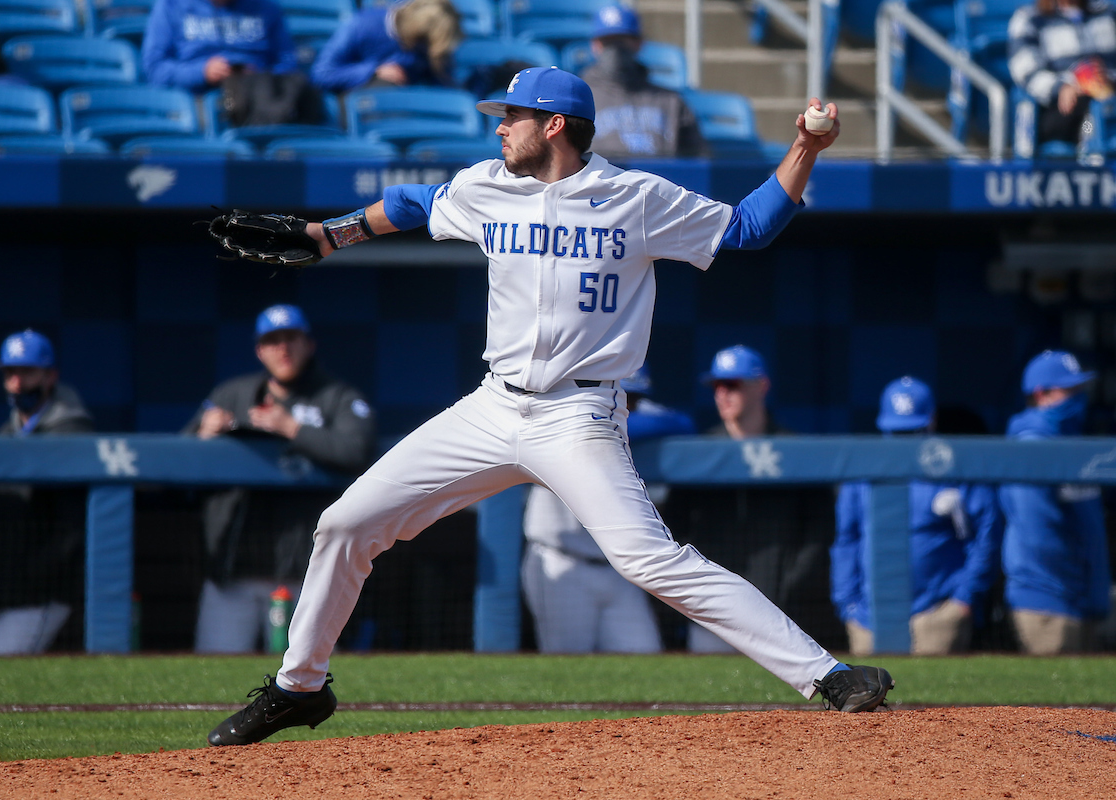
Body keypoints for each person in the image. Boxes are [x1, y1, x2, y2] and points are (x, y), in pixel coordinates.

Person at [207, 66, 892, 747]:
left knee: (649, 560)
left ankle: (827, 675)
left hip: (579, 417)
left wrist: (805, 148)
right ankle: (300, 687)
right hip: (492, 406)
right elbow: (414, 203)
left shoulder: (635, 197)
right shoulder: (486, 186)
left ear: (555, 125)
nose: (500, 128)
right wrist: (330, 234)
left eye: (513, 117)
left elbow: (747, 228)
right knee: (345, 524)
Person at [183, 304, 376, 653]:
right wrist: (203, 436)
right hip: (234, 573)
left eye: (291, 338)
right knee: (214, 669)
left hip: (306, 573)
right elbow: (175, 462)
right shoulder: (231, 395)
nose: (283, 348)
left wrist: (290, 428)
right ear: (260, 350)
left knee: (306, 674)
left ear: (309, 344)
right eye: (273, 341)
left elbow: (358, 451)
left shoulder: (336, 397)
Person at [668, 345, 841, 653]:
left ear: (761, 386)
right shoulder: (699, 452)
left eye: (732, 385)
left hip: (780, 608)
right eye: (717, 386)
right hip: (714, 606)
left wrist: (790, 584)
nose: (722, 394)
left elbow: (819, 530)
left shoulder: (795, 450)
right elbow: (676, 527)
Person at [521, 364, 695, 654]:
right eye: (624, 395)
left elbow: (683, 423)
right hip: (563, 562)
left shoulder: (630, 417)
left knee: (645, 657)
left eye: (634, 399)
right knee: (567, 665)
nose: (628, 405)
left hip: (619, 568)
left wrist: (625, 423)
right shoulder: (563, 411)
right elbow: (596, 423)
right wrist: (620, 425)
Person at [831, 376, 1003, 656]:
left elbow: (987, 534)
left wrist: (963, 598)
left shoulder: (954, 469)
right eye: (897, 432)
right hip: (869, 618)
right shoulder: (862, 472)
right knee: (870, 686)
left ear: (931, 422)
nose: (904, 441)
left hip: (938, 614)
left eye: (912, 431)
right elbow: (846, 542)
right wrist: (847, 604)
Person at [0, 330, 93, 655]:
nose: (17, 383)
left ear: (50, 376)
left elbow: (74, 525)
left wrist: (40, 572)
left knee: (1, 667)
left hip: (41, 588)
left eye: (27, 372)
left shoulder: (72, 431)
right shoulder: (6, 434)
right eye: (10, 373)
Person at [1000, 350, 1110, 654]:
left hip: (1079, 599)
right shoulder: (1031, 445)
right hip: (1049, 600)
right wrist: (1077, 586)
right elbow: (1037, 533)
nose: (1079, 397)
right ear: (1041, 394)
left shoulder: (1067, 442)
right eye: (1069, 390)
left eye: (1080, 388)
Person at [142, 0, 325, 126]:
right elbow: (154, 69)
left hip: (257, 101)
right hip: (198, 102)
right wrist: (202, 71)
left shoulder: (266, 7)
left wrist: (257, 77)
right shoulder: (171, 5)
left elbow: (287, 63)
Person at [580, 4, 705, 160]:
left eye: (622, 41)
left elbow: (698, 159)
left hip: (660, 175)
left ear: (638, 43)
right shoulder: (579, 98)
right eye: (608, 42)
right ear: (595, 46)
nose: (615, 50)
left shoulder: (671, 102)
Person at [1008, 0, 1116, 147]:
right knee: (1089, 115)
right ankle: (1090, 147)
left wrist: (1107, 79)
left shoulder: (1108, 13)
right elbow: (1025, 69)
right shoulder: (1031, 18)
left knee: (1103, 108)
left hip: (1108, 96)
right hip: (1061, 106)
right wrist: (1063, 86)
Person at [310, 0, 461, 95]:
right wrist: (374, 70)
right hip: (362, 99)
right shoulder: (362, 25)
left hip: (408, 100)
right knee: (385, 87)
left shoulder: (431, 41)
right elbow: (322, 74)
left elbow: (443, 84)